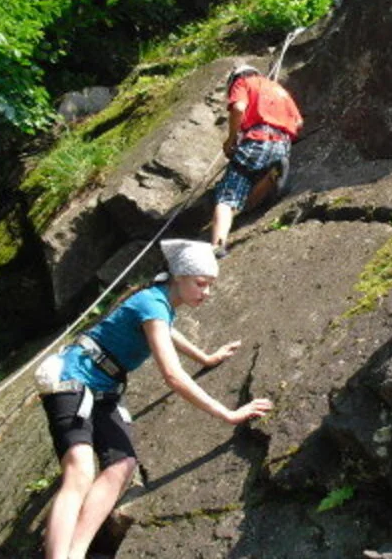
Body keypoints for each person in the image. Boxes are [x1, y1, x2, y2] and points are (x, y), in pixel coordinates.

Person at [35, 239, 273, 559]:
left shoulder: (161, 304)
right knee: (80, 471)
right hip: (71, 377)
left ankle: (75, 552)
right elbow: (173, 376)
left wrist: (205, 357)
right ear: (179, 277)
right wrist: (227, 414)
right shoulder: (152, 303)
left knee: (121, 466)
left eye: (210, 285)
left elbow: (167, 331)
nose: (206, 292)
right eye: (200, 283)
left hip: (103, 390)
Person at [210, 64, 303, 257]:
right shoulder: (279, 90)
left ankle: (217, 245)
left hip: (256, 140)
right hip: (282, 144)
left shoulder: (242, 82)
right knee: (248, 202)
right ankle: (271, 175)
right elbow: (298, 122)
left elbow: (238, 108)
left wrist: (232, 139)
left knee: (226, 197)